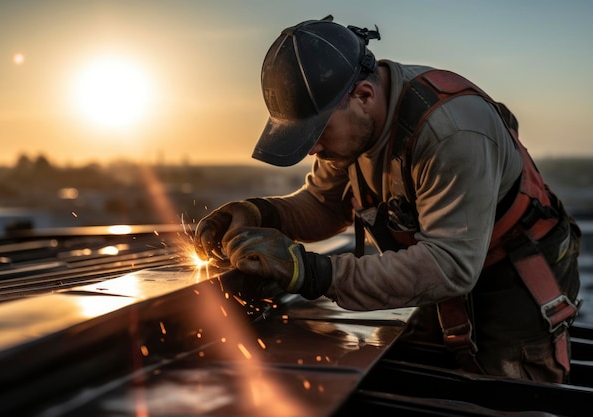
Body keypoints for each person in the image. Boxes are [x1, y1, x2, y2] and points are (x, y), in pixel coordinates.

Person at [193, 15, 582, 383]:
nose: (313, 150)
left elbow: (450, 266)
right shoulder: (353, 130)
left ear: (363, 95)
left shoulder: (452, 133)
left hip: (510, 275)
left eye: (317, 133)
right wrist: (260, 213)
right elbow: (324, 207)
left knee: (507, 398)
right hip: (440, 267)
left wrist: (312, 273)